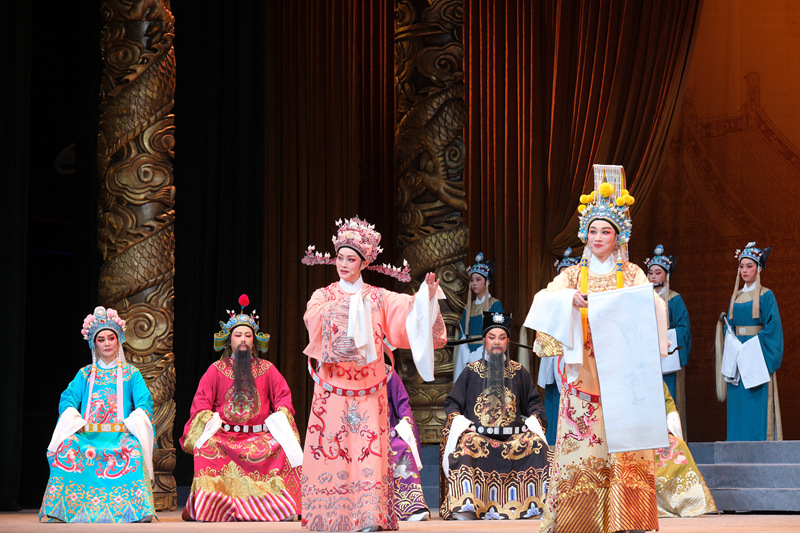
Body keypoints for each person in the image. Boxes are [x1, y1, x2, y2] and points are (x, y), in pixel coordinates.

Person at [523, 165, 665, 533]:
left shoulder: (631, 274)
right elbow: (542, 301)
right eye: (593, 231)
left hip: (623, 377)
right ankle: (578, 519)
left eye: (606, 231)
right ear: (585, 235)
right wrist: (569, 299)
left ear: (619, 237)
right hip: (583, 377)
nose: (598, 237)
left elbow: (653, 307)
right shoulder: (572, 276)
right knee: (582, 448)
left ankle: (627, 518)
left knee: (625, 450)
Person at [300, 216, 447, 532]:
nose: (343, 264)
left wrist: (426, 298)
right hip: (332, 389)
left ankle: (369, 515)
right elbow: (313, 318)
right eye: (340, 258)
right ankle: (329, 514)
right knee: (332, 447)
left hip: (369, 389)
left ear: (364, 262)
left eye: (350, 259)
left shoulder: (379, 297)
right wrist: (349, 309)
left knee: (368, 449)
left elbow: (408, 312)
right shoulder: (323, 296)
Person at [179, 294, 302, 521]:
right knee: (206, 447)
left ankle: (280, 508)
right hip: (226, 438)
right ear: (229, 341)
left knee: (282, 447)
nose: (243, 339)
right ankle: (211, 508)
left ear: (254, 341)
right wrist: (210, 421)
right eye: (238, 335)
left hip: (260, 437)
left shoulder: (267, 369)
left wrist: (280, 417)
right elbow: (201, 403)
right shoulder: (216, 370)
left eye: (248, 335)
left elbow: (284, 399)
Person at [39, 306, 156, 523]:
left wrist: (132, 422)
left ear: (119, 340)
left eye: (111, 338)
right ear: (94, 344)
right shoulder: (84, 374)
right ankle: (63, 509)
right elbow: (68, 399)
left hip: (120, 436)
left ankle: (136, 510)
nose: (107, 343)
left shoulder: (131, 374)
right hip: (87, 437)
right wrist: (74, 420)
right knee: (66, 447)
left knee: (133, 450)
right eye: (101, 340)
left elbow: (144, 403)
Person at [440, 311, 550, 520]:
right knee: (467, 444)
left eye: (502, 337)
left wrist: (533, 421)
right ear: (485, 340)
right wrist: (461, 423)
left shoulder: (519, 371)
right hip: (480, 437)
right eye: (492, 337)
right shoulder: (471, 371)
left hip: (513, 439)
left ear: (508, 341)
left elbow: (535, 404)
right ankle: (467, 506)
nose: (497, 342)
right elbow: (452, 404)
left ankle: (534, 506)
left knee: (536, 444)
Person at [716, 242, 783, 441]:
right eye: (742, 266)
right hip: (738, 354)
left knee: (756, 401)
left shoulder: (766, 295)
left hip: (756, 354)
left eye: (749, 266)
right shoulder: (735, 297)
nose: (744, 270)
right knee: (738, 404)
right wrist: (730, 339)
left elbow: (772, 328)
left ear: (758, 268)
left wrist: (750, 347)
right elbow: (731, 326)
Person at [535, 247, 581, 445]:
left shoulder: (582, 300)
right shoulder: (551, 300)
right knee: (554, 394)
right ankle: (552, 441)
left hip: (575, 355)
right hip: (554, 355)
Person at [645, 244, 691, 436]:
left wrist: (664, 338)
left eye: (658, 273)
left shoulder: (674, 299)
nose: (653, 277)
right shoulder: (643, 298)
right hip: (648, 356)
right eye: (650, 273)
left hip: (668, 356)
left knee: (670, 397)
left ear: (666, 275)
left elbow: (683, 329)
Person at [655, 382, 716, 517]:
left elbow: (668, 404)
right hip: (631, 434)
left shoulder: (655, 379)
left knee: (678, 446)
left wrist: (668, 427)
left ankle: (687, 503)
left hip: (655, 432)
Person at [386, 364, 430, 521]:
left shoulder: (387, 373)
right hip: (355, 436)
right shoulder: (344, 373)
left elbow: (403, 406)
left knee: (402, 447)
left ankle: (410, 506)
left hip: (386, 434)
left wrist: (403, 425)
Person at [453, 252, 504, 382]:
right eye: (472, 280)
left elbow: (497, 334)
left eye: (478, 279)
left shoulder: (495, 305)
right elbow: (463, 335)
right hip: (467, 355)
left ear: (487, 282)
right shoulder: (468, 308)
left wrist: (477, 355)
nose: (474, 283)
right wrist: (467, 356)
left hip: (488, 353)